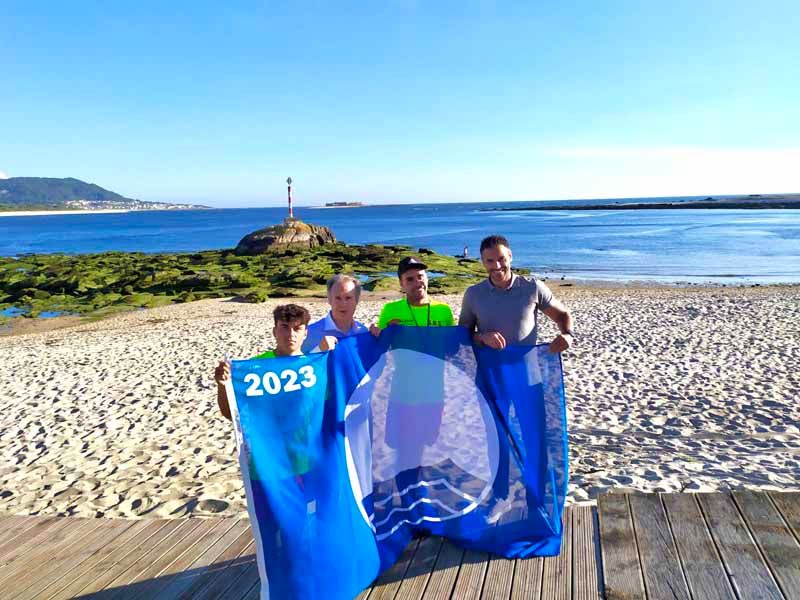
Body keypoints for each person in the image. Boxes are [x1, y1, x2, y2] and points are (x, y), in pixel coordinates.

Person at [214, 303, 332, 420]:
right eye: (285, 327)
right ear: (274, 331)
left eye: (297, 329)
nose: (291, 334)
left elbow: (324, 413)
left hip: (303, 438)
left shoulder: (315, 369)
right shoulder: (255, 366)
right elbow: (230, 414)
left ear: (305, 333)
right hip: (265, 438)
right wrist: (223, 386)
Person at [459, 235, 573, 353]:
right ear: (483, 262)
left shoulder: (533, 287)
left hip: (525, 366)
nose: (497, 266)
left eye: (501, 259)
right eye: (490, 261)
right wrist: (482, 337)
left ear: (510, 256)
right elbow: (462, 335)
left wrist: (567, 334)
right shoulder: (473, 294)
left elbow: (562, 315)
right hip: (489, 368)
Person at [372, 256, 454, 332]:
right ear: (401, 284)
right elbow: (380, 343)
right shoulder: (390, 310)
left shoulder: (444, 310)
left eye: (420, 276)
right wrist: (374, 334)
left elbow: (452, 342)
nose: (417, 283)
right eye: (410, 279)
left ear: (427, 278)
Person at [302, 274, 368, 353]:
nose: (343, 304)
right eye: (338, 298)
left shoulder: (363, 332)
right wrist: (318, 350)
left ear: (356, 300)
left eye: (348, 298)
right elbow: (298, 363)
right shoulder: (311, 333)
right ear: (329, 299)